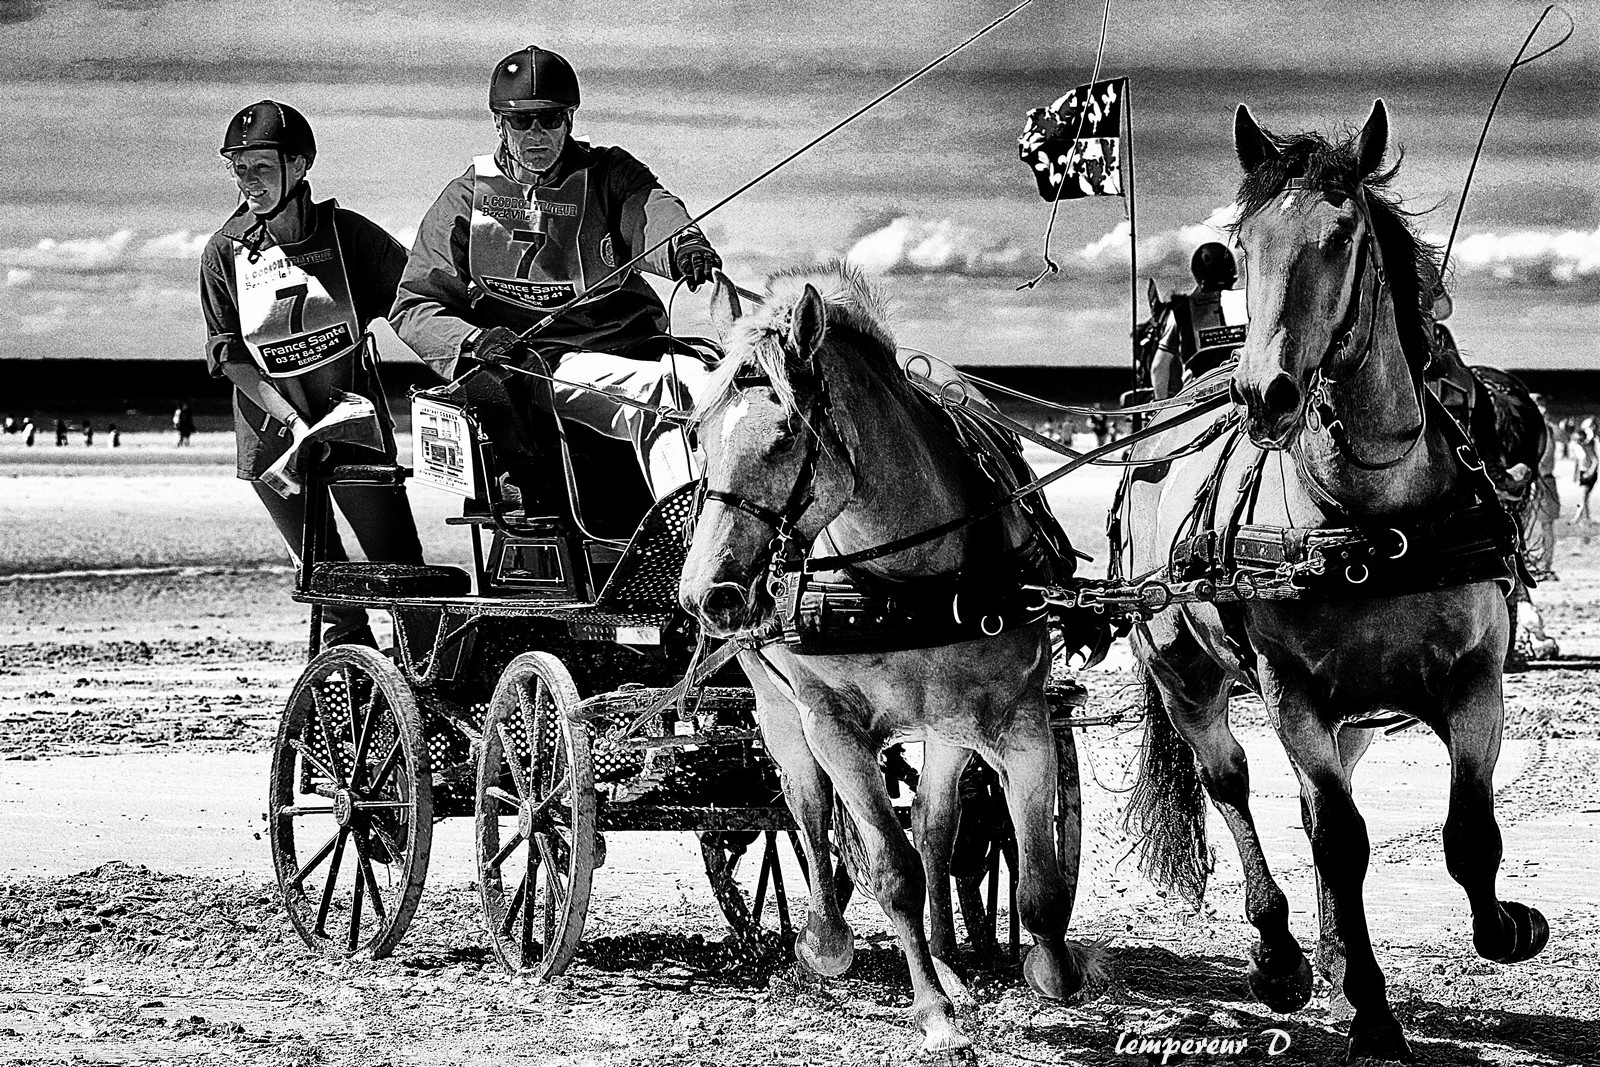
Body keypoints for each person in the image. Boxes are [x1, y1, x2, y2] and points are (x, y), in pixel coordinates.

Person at [391, 45, 723, 505]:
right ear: (498, 124)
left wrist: (682, 244)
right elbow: (414, 305)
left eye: (549, 119)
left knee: (706, 381)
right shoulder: (466, 196)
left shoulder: (608, 171)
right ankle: (685, 536)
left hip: (632, 344)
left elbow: (649, 211)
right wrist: (469, 341)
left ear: (569, 120)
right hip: (541, 364)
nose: (537, 133)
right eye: (521, 121)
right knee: (662, 391)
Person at [200, 100, 424, 648]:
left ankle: (430, 699)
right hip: (274, 438)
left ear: (299, 165)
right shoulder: (222, 251)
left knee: (403, 577)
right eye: (239, 167)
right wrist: (295, 424)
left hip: (352, 428)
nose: (249, 181)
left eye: (262, 166)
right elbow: (228, 355)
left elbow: (418, 298)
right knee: (328, 592)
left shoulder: (348, 236)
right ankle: (348, 716)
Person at [1149, 242, 1247, 400]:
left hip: (1198, 397)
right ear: (1233, 271)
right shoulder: (1249, 301)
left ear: (1197, 274)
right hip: (1243, 393)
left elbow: (1158, 368)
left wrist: (1160, 406)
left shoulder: (1181, 311)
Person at [1571, 417, 1597, 526]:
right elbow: (1578, 462)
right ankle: (1586, 518)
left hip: (1589, 474)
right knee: (1584, 498)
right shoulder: (1579, 448)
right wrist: (1575, 474)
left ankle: (1578, 518)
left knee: (1583, 497)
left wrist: (1589, 473)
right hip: (1584, 473)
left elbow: (1595, 461)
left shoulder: (1587, 447)